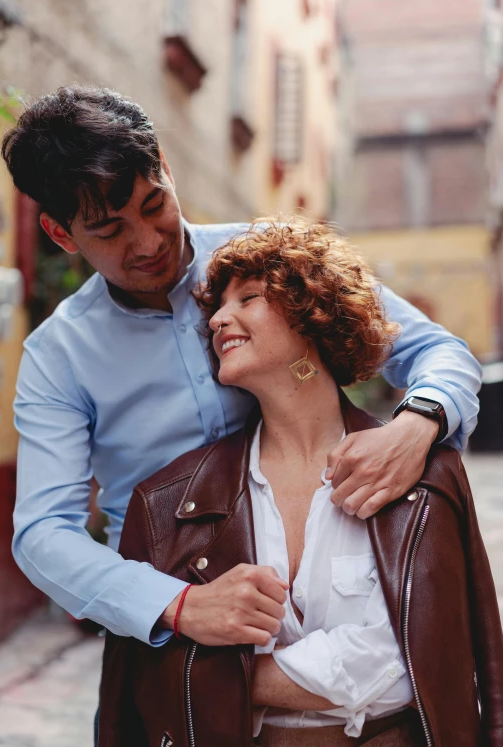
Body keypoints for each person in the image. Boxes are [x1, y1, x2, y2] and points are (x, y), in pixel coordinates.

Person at [1, 86, 481, 713]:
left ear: (166, 170)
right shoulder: (57, 356)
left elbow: (437, 351)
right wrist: (179, 606)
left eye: (154, 204)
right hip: (176, 636)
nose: (149, 241)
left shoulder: (266, 265)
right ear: (61, 234)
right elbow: (43, 533)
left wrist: (416, 425)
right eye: (111, 229)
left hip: (328, 586)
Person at [97, 221, 503, 747]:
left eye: (248, 298)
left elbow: (411, 657)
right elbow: (131, 692)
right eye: (218, 307)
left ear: (313, 314)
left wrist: (224, 675)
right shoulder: (164, 502)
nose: (220, 318)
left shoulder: (427, 477)